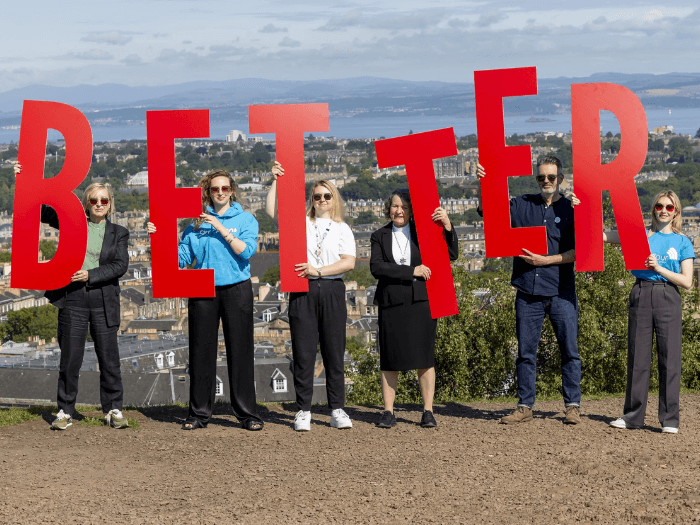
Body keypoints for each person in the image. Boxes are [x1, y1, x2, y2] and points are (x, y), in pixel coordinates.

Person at [14, 163, 130, 430]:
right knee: (70, 358)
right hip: (73, 298)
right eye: (94, 200)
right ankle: (65, 411)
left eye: (104, 200)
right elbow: (40, 211)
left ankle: (113, 409)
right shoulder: (72, 221)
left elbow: (120, 266)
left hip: (103, 298)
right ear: (86, 203)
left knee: (109, 358)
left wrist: (91, 275)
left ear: (110, 204)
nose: (99, 204)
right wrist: (23, 178)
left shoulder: (120, 233)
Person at [148, 170, 263, 431]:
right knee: (201, 353)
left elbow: (246, 252)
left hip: (236, 288)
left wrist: (219, 226)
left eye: (224, 188)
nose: (220, 193)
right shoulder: (194, 227)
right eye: (214, 189)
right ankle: (199, 414)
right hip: (201, 289)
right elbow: (180, 259)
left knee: (241, 352)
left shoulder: (246, 219)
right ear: (207, 192)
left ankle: (247, 415)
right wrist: (158, 236)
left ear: (232, 190)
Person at [477, 156, 581, 424]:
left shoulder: (572, 209)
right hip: (527, 292)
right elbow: (489, 211)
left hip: (561, 291)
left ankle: (572, 406)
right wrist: (483, 181)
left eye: (551, 177)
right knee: (525, 352)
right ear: (536, 178)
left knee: (569, 350)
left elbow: (579, 251)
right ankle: (525, 406)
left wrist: (548, 260)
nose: (546, 182)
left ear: (560, 179)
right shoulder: (521, 204)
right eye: (541, 177)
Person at [266, 162, 356, 431]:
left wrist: (318, 271)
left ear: (334, 199)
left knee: (333, 351)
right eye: (317, 196)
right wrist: (274, 182)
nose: (322, 200)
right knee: (304, 353)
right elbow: (272, 212)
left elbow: (349, 262)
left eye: (327, 196)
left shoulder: (343, 229)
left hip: (331, 288)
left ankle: (337, 409)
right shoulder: (300, 222)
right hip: (301, 291)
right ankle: (303, 410)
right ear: (312, 200)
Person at [593, 191, 692, 434]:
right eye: (660, 205)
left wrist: (658, 267)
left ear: (676, 212)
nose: (664, 210)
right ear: (653, 208)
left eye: (670, 207)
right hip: (641, 292)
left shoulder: (682, 242)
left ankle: (670, 420)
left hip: (668, 295)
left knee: (670, 359)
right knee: (637, 357)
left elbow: (687, 281)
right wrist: (580, 208)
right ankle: (632, 417)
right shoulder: (639, 235)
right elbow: (603, 236)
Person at [369, 189, 459, 429]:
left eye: (404, 207)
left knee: (424, 357)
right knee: (390, 359)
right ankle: (388, 412)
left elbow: (452, 253)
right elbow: (377, 268)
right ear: (389, 208)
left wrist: (448, 225)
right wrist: (412, 271)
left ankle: (427, 411)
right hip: (391, 302)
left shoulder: (425, 233)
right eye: (395, 206)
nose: (399, 211)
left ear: (411, 210)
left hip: (421, 301)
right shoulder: (379, 235)